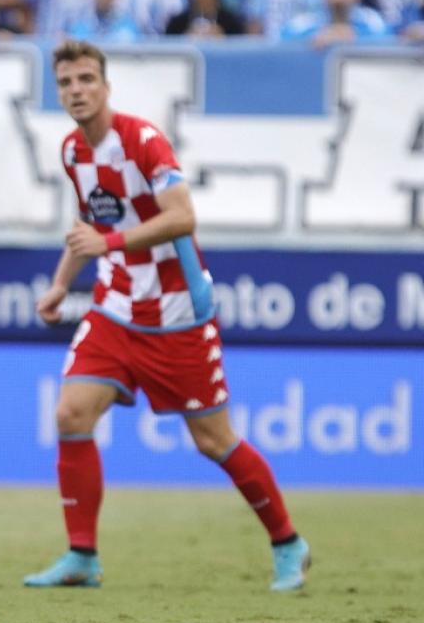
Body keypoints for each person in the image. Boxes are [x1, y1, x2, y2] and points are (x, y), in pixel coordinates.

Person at [23, 40, 310, 593]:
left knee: (213, 440)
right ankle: (82, 555)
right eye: (65, 83)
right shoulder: (72, 152)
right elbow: (90, 222)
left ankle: (287, 541)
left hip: (177, 315)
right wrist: (61, 284)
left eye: (86, 79)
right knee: (71, 414)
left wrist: (109, 242)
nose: (76, 90)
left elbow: (182, 217)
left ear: (106, 86)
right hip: (115, 305)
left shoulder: (143, 141)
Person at [282, 0, 390, 45]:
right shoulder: (306, 22)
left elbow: (389, 42)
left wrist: (355, 37)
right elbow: (282, 40)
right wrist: (314, 38)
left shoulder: (371, 20)